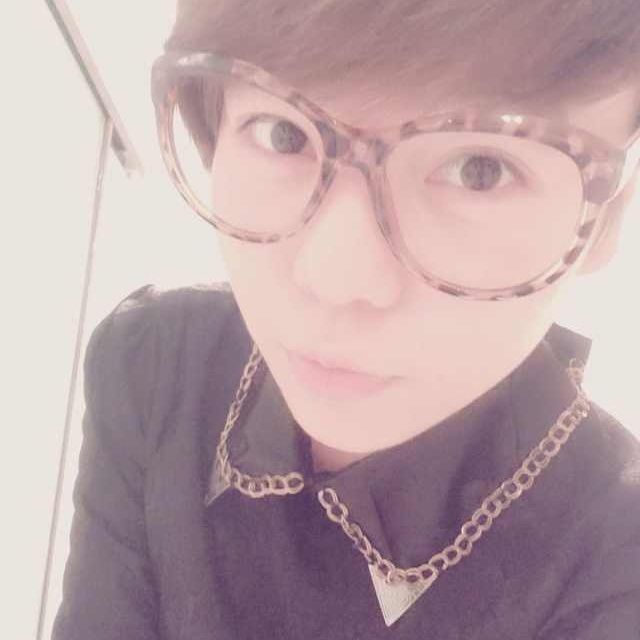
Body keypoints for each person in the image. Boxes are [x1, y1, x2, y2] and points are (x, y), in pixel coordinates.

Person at [52, 1, 640, 638]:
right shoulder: (157, 359)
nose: (335, 279)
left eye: (480, 171)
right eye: (282, 132)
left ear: (606, 218)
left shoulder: (616, 565)